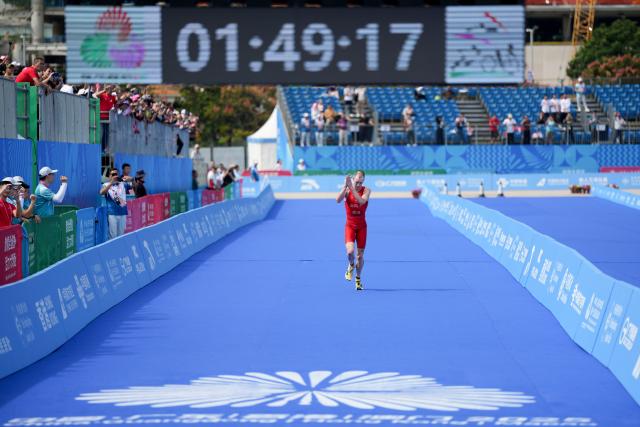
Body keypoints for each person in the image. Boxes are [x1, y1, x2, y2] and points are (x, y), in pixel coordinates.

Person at [336, 170, 371, 291]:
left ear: (363, 181)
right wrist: (345, 187)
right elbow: (337, 200)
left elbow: (361, 202)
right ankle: (351, 265)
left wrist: (352, 188)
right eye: (356, 182)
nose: (358, 185)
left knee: (360, 256)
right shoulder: (348, 190)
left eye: (360, 182)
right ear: (353, 180)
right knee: (350, 252)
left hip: (362, 227)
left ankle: (358, 278)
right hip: (350, 226)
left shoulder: (367, 191)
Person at [100, 168, 128, 239]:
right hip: (112, 213)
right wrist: (111, 183)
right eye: (113, 174)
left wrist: (130, 179)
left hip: (123, 212)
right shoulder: (106, 185)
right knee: (113, 235)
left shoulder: (123, 184)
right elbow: (101, 192)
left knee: (121, 236)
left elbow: (133, 183)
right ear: (109, 176)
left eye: (116, 174)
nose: (114, 176)